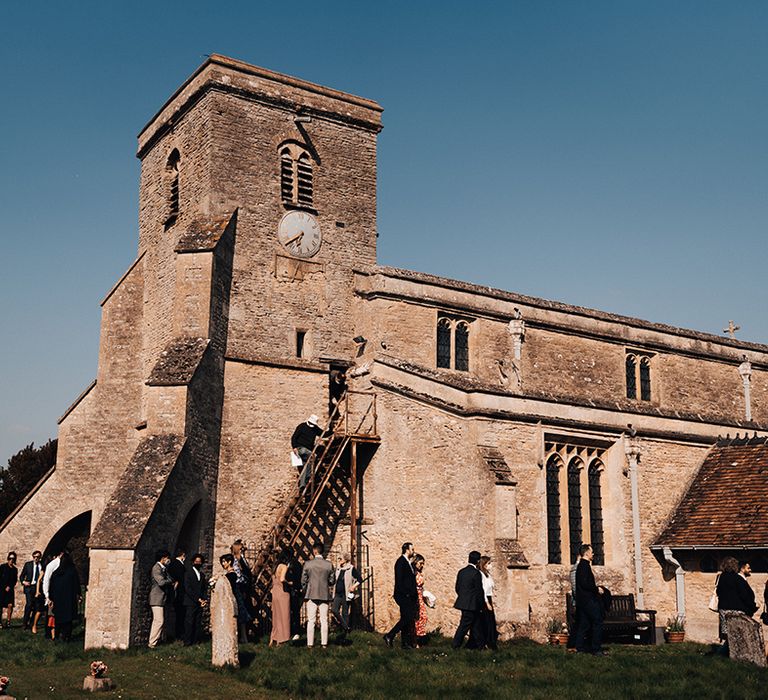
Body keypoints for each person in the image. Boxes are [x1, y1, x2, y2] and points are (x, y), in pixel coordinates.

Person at [717, 557, 758, 652]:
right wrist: (752, 607)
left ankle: (724, 653)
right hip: (736, 609)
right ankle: (728, 653)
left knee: (727, 635)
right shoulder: (737, 578)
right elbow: (744, 595)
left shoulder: (722, 577)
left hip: (723, 610)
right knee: (738, 633)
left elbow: (719, 592)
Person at [574, 544, 607, 656]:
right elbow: (584, 583)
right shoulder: (584, 566)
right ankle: (596, 649)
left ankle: (580, 648)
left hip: (583, 600)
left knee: (584, 624)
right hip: (588, 600)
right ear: (587, 553)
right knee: (598, 621)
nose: (593, 554)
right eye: (591, 552)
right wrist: (596, 589)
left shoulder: (584, 566)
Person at [301, 542, 335, 648]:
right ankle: (324, 643)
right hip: (324, 594)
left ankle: (310, 644)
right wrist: (326, 583)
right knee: (324, 620)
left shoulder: (308, 564)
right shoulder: (329, 565)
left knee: (311, 620)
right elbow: (332, 580)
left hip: (311, 594)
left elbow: (303, 580)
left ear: (315, 551)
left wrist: (304, 589)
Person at [384, 542, 418, 649]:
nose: (413, 551)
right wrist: (407, 594)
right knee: (407, 618)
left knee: (406, 619)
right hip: (403, 595)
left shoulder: (408, 562)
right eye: (412, 549)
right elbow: (399, 580)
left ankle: (405, 643)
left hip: (408, 595)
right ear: (407, 550)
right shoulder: (400, 562)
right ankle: (390, 635)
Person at [452, 550, 485, 649]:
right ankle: (455, 645)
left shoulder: (461, 572)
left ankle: (480, 645)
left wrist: (463, 597)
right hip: (472, 604)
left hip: (464, 603)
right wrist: (481, 604)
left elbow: (457, 588)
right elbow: (479, 591)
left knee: (475, 625)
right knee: (464, 626)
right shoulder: (476, 573)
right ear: (478, 561)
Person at [48, 552, 80, 642]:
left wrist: (51, 598)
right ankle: (66, 637)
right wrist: (79, 594)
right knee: (68, 619)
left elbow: (52, 587)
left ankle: (57, 635)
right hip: (69, 599)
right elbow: (76, 584)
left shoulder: (56, 573)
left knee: (58, 619)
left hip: (58, 599)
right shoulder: (72, 571)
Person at [220, 553, 252, 643]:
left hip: (234, 596)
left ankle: (240, 638)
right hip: (235, 595)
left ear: (229, 562)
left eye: (224, 562)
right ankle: (242, 638)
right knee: (240, 619)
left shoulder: (232, 574)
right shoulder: (230, 574)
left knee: (239, 618)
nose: (223, 564)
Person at [331, 552, 361, 641]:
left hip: (346, 594)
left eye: (340, 559)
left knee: (345, 613)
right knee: (334, 610)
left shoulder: (351, 569)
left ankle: (345, 632)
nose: (339, 560)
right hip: (337, 594)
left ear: (345, 560)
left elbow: (360, 579)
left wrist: (353, 586)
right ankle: (346, 626)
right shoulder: (338, 569)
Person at [148, 549, 174, 648]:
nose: (168, 560)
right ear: (163, 558)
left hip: (162, 598)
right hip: (156, 598)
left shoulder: (164, 568)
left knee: (161, 620)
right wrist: (170, 580)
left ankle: (160, 640)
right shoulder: (156, 568)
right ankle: (152, 643)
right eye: (167, 558)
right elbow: (161, 582)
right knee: (159, 620)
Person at [291, 415, 324, 490]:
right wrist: (295, 447)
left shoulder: (315, 429)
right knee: (313, 456)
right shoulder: (302, 426)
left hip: (305, 450)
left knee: (305, 467)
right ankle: (309, 476)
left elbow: (323, 433)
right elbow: (294, 437)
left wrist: (331, 430)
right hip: (301, 449)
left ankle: (302, 484)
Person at [183, 553, 208, 646]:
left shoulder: (202, 575)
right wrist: (197, 599)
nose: (198, 563)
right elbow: (188, 588)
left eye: (200, 562)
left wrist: (204, 599)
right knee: (189, 622)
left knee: (197, 621)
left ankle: (195, 640)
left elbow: (204, 588)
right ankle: (187, 641)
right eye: (196, 561)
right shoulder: (188, 573)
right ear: (193, 562)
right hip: (190, 601)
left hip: (200, 602)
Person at [231, 539, 255, 632]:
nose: (243, 550)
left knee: (247, 608)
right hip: (240, 586)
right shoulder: (235, 560)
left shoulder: (242, 558)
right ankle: (241, 633)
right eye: (241, 549)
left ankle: (246, 632)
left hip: (246, 586)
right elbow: (238, 575)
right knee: (241, 609)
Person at [270, 550, 291, 646]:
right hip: (282, 592)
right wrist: (289, 583)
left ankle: (273, 638)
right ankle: (282, 639)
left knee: (276, 616)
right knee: (284, 616)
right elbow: (282, 579)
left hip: (275, 592)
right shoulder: (284, 566)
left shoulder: (275, 567)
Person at [20, 550, 44, 630]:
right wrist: (24, 582)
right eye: (34, 557)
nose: (36, 558)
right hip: (29, 587)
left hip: (38, 588)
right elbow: (22, 576)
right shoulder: (28, 565)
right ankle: (24, 623)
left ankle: (32, 623)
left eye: (37, 557)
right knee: (29, 604)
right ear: (33, 557)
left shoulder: (42, 565)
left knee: (36, 606)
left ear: (40, 557)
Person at [478, 555, 498, 650]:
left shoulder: (488, 575)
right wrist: (487, 603)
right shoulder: (481, 575)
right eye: (489, 563)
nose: (490, 565)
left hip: (489, 598)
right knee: (486, 621)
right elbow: (483, 590)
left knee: (490, 621)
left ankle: (491, 641)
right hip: (485, 599)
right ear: (484, 564)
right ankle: (486, 642)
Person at [285, 547, 304, 640]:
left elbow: (298, 578)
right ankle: (290, 630)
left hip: (293, 591)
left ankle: (296, 631)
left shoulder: (295, 564)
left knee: (295, 612)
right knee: (289, 612)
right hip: (287, 591)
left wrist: (293, 584)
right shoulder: (288, 564)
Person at [167, 549, 186, 640]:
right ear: (182, 555)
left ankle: (176, 634)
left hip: (175, 592)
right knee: (180, 614)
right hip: (180, 593)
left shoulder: (172, 564)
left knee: (177, 614)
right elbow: (181, 579)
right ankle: (179, 634)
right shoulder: (179, 565)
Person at [412, 554, 429, 646]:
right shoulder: (413, 573)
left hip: (420, 597)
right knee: (418, 618)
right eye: (420, 563)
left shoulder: (418, 573)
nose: (422, 565)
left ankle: (417, 638)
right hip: (416, 598)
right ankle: (416, 640)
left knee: (423, 617)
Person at [0, 552, 18, 628]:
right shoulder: (2, 567)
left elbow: (15, 580)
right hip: (1, 589)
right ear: (8, 558)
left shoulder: (15, 569)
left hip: (10, 590)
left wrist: (10, 586)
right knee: (0, 606)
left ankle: (8, 622)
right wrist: (4, 587)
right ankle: (0, 623)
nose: (11, 560)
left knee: (10, 605)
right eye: (10, 558)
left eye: (13, 559)